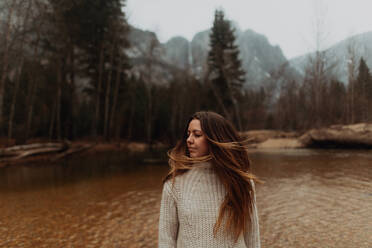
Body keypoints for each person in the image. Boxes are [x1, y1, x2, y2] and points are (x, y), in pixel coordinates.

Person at [158, 111, 261, 248]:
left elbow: (252, 235)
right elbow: (166, 240)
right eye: (188, 134)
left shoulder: (241, 182)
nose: (189, 139)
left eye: (197, 134)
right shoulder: (173, 185)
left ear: (215, 138)